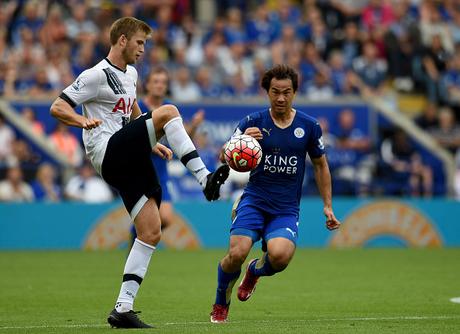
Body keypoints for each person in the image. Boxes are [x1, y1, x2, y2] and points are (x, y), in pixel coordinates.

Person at [49, 17, 229, 328]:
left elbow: (132, 110)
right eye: (139, 43)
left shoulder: (131, 74)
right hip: (106, 151)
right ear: (122, 41)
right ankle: (204, 178)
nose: (143, 49)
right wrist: (82, 122)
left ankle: (122, 309)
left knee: (151, 230)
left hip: (127, 157)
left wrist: (152, 142)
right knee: (170, 111)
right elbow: (58, 106)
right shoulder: (95, 75)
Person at [210, 64, 341, 323]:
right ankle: (220, 302)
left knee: (280, 257)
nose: (281, 98)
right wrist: (242, 141)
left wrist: (327, 205)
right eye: (275, 92)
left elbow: (320, 165)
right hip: (255, 201)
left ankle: (254, 272)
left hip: (285, 208)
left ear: (294, 93)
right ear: (267, 92)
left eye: (287, 92)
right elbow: (223, 154)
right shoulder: (253, 122)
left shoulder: (309, 126)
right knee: (236, 253)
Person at [130, 66, 205, 246]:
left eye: (163, 82)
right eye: (155, 82)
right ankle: (138, 239)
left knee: (166, 218)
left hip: (161, 171)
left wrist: (193, 126)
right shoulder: (138, 108)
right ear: (147, 85)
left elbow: (183, 138)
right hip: (142, 169)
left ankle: (135, 234)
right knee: (150, 220)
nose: (159, 86)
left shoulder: (169, 109)